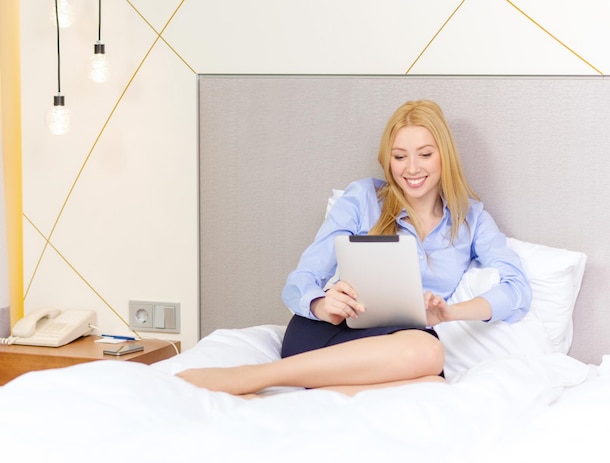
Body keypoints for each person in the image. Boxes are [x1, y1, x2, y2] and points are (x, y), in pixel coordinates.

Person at [177, 99, 532, 397]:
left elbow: (516, 290)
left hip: (397, 345)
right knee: (428, 355)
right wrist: (321, 302)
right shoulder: (363, 198)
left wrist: (449, 313)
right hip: (331, 331)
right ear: (387, 159)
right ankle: (254, 377)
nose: (411, 169)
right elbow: (301, 280)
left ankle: (292, 392)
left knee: (430, 379)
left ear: (445, 156)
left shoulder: (471, 218)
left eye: (424, 154)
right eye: (399, 157)